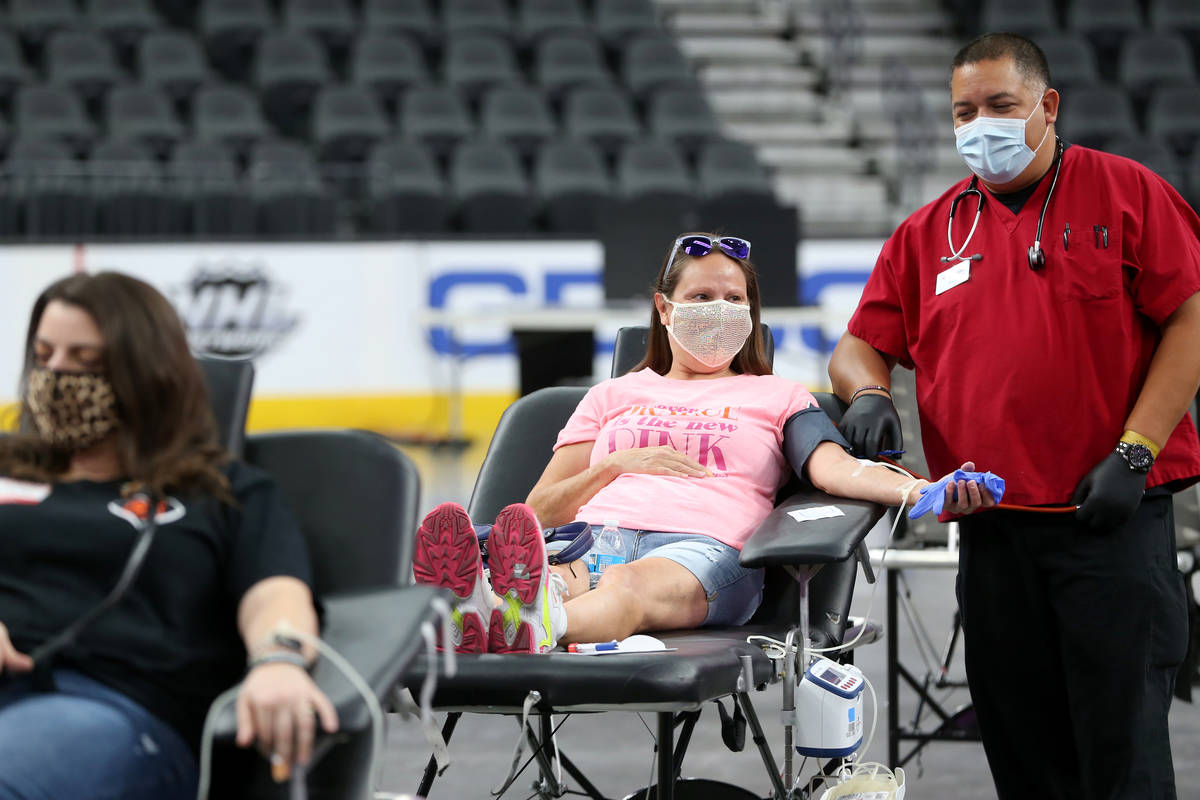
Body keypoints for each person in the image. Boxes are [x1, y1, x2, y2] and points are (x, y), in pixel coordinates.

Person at [828, 33, 1200, 800]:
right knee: (1024, 761)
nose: (981, 125)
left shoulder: (1127, 191)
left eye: (1000, 105)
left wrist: (1136, 452)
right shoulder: (929, 232)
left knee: (1123, 761)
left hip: (1110, 524)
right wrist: (867, 392)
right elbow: (860, 345)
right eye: (965, 111)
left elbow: (1192, 316)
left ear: (1047, 106)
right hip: (993, 537)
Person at [413, 232, 996, 654]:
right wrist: (613, 465)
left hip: (706, 552)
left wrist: (919, 490)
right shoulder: (611, 396)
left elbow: (834, 469)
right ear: (664, 311)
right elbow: (534, 513)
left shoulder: (778, 396)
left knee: (626, 584)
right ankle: (500, 610)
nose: (719, 311)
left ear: (750, 313)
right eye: (699, 299)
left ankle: (530, 624)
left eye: (734, 300)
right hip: (594, 535)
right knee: (563, 571)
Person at [0, 272, 338, 800]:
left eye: (85, 361)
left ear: (146, 373)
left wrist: (279, 660)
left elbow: (274, 592)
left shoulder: (219, 493)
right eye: (44, 355)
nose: (57, 373)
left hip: (109, 706)